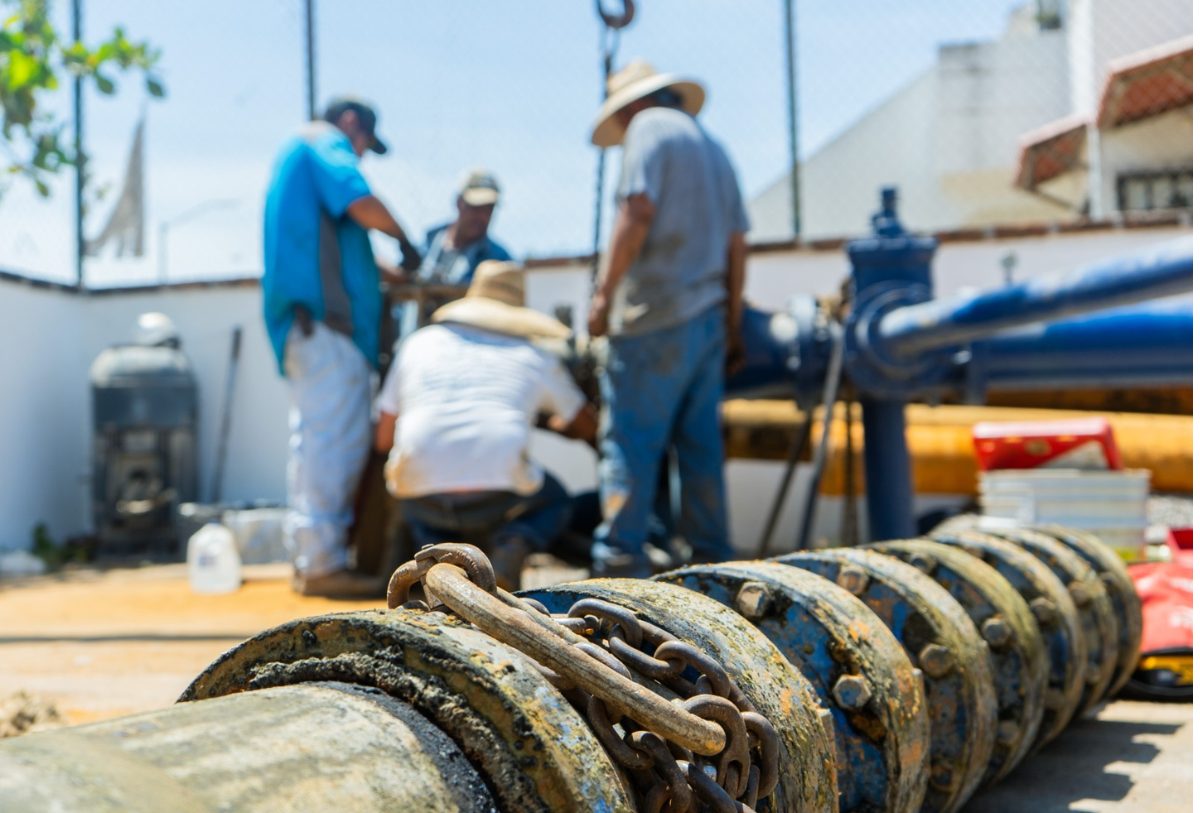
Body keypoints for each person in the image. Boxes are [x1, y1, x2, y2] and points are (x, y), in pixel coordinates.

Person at [586, 60, 749, 577]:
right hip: (706, 321)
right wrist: (733, 323)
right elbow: (737, 245)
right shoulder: (715, 147)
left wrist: (603, 296)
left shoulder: (648, 128)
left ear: (631, 106)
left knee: (630, 444)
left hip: (652, 318)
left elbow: (636, 211)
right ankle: (711, 569)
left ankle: (618, 569)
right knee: (699, 452)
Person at [262, 95, 420, 597]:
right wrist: (405, 238)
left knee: (314, 444)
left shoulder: (302, 170)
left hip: (312, 328)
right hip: (328, 331)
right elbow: (361, 200)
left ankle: (312, 556)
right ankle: (324, 564)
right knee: (334, 445)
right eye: (365, 146)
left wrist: (389, 272)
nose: (363, 156)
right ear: (351, 125)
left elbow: (349, 250)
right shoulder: (321, 142)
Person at [375, 260, 597, 590]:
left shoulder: (417, 343)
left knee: (411, 490)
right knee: (557, 500)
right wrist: (546, 421)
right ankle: (514, 543)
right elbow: (587, 426)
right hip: (498, 497)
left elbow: (382, 439)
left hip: (421, 497)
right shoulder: (533, 354)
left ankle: (432, 556)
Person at [398, 169, 512, 337]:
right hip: (415, 338)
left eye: (488, 209)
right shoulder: (429, 244)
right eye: (475, 207)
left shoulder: (497, 261)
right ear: (459, 202)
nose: (481, 216)